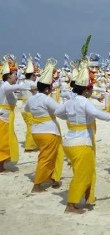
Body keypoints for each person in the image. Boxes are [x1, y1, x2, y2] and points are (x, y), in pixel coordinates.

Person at [54, 56, 110, 214]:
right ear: (86, 90)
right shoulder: (85, 102)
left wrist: (71, 119)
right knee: (83, 174)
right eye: (91, 89)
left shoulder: (70, 101)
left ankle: (86, 197)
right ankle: (70, 205)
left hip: (69, 142)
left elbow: (58, 112)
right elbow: (97, 113)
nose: (92, 91)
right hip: (81, 143)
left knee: (84, 171)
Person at [24, 59, 64, 192]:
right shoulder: (47, 100)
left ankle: (53, 178)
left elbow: (26, 109)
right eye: (51, 87)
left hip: (36, 131)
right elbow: (60, 112)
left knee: (53, 154)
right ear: (47, 89)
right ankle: (37, 185)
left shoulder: (32, 98)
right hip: (49, 131)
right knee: (46, 157)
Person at [0, 57, 31, 172]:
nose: (16, 76)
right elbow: (18, 87)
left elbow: (16, 93)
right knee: (3, 141)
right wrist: (29, 85)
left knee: (6, 139)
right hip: (3, 117)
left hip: (7, 116)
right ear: (8, 76)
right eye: (14, 75)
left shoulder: (8, 88)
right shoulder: (6, 86)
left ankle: (2, 164)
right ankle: (0, 167)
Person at [19, 56, 39, 152]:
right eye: (35, 75)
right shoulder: (31, 83)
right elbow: (37, 88)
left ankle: (33, 144)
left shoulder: (22, 84)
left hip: (23, 108)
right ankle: (29, 146)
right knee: (31, 127)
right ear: (32, 76)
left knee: (31, 127)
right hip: (28, 109)